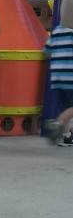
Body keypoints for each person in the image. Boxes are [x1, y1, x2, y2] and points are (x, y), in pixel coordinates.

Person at [43, 18, 73, 146]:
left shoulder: (57, 30)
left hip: (56, 76)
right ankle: (57, 123)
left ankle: (66, 137)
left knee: (65, 108)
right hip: (70, 75)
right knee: (69, 109)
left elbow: (46, 52)